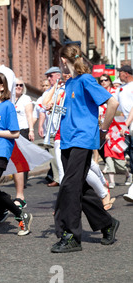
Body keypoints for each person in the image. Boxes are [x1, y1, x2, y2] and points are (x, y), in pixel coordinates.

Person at [51, 43, 119, 253]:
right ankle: (107, 223)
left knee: (69, 186)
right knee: (80, 188)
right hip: (67, 140)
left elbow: (113, 103)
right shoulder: (70, 83)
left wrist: (103, 130)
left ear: (64, 60)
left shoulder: (86, 80)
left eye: (59, 61)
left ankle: (71, 235)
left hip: (82, 139)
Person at [0, 72, 33, 240]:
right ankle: (20, 214)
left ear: (2, 86)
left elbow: (15, 133)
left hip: (1, 151)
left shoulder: (7, 106)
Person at [98, 74, 132, 188]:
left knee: (119, 157)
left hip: (117, 127)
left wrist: (121, 127)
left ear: (109, 81)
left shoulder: (116, 92)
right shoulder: (98, 94)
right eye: (101, 80)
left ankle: (127, 174)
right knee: (108, 155)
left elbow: (119, 111)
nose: (103, 82)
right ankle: (111, 181)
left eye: (105, 80)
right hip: (104, 128)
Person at [37, 67, 63, 187]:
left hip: (63, 128)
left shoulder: (65, 89)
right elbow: (43, 108)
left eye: (50, 76)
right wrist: (41, 126)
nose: (48, 79)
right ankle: (58, 178)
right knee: (54, 156)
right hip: (52, 129)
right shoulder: (47, 93)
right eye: (47, 76)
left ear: (58, 76)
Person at [114, 65, 133, 186]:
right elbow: (117, 109)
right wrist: (119, 126)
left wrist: (125, 124)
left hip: (130, 125)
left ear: (126, 73)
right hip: (125, 127)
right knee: (128, 152)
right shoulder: (120, 89)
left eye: (120, 73)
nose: (118, 76)